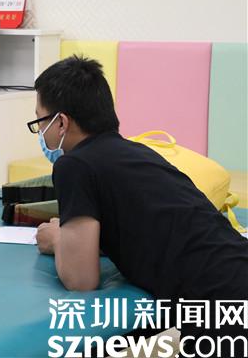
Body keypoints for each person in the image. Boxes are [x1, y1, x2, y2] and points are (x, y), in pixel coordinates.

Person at [31, 56, 248, 355]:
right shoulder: (137, 152)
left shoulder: (74, 165)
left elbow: (81, 280)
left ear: (61, 122)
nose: (40, 132)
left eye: (40, 122)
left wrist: (58, 239)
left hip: (221, 308)